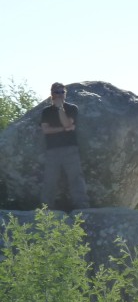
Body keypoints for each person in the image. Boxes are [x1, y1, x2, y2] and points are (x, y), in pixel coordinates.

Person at [40, 82, 90, 210]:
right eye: (57, 92)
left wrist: (60, 109)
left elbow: (68, 123)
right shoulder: (46, 111)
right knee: (50, 180)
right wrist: (64, 128)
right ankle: (46, 209)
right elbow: (46, 130)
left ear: (66, 94)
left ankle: (82, 208)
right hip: (52, 150)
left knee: (76, 179)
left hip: (70, 149)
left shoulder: (72, 108)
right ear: (52, 94)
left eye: (62, 92)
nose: (60, 95)